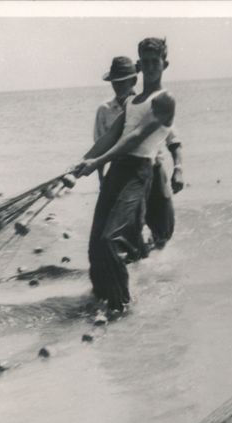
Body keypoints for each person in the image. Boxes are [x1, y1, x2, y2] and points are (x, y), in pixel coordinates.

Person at [74, 38, 175, 315]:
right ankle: (102, 298)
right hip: (117, 172)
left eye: (157, 62)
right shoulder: (131, 101)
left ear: (164, 65)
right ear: (140, 65)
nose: (153, 66)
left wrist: (97, 162)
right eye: (147, 62)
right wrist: (81, 162)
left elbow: (136, 137)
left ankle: (122, 306)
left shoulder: (165, 100)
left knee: (111, 239)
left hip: (139, 172)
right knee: (96, 246)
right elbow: (110, 135)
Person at [93, 56, 139, 185]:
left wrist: (177, 167)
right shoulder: (104, 109)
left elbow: (171, 138)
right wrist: (101, 178)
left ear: (133, 81)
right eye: (114, 82)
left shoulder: (146, 104)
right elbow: (99, 146)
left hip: (148, 167)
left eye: (122, 82)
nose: (118, 87)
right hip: (118, 169)